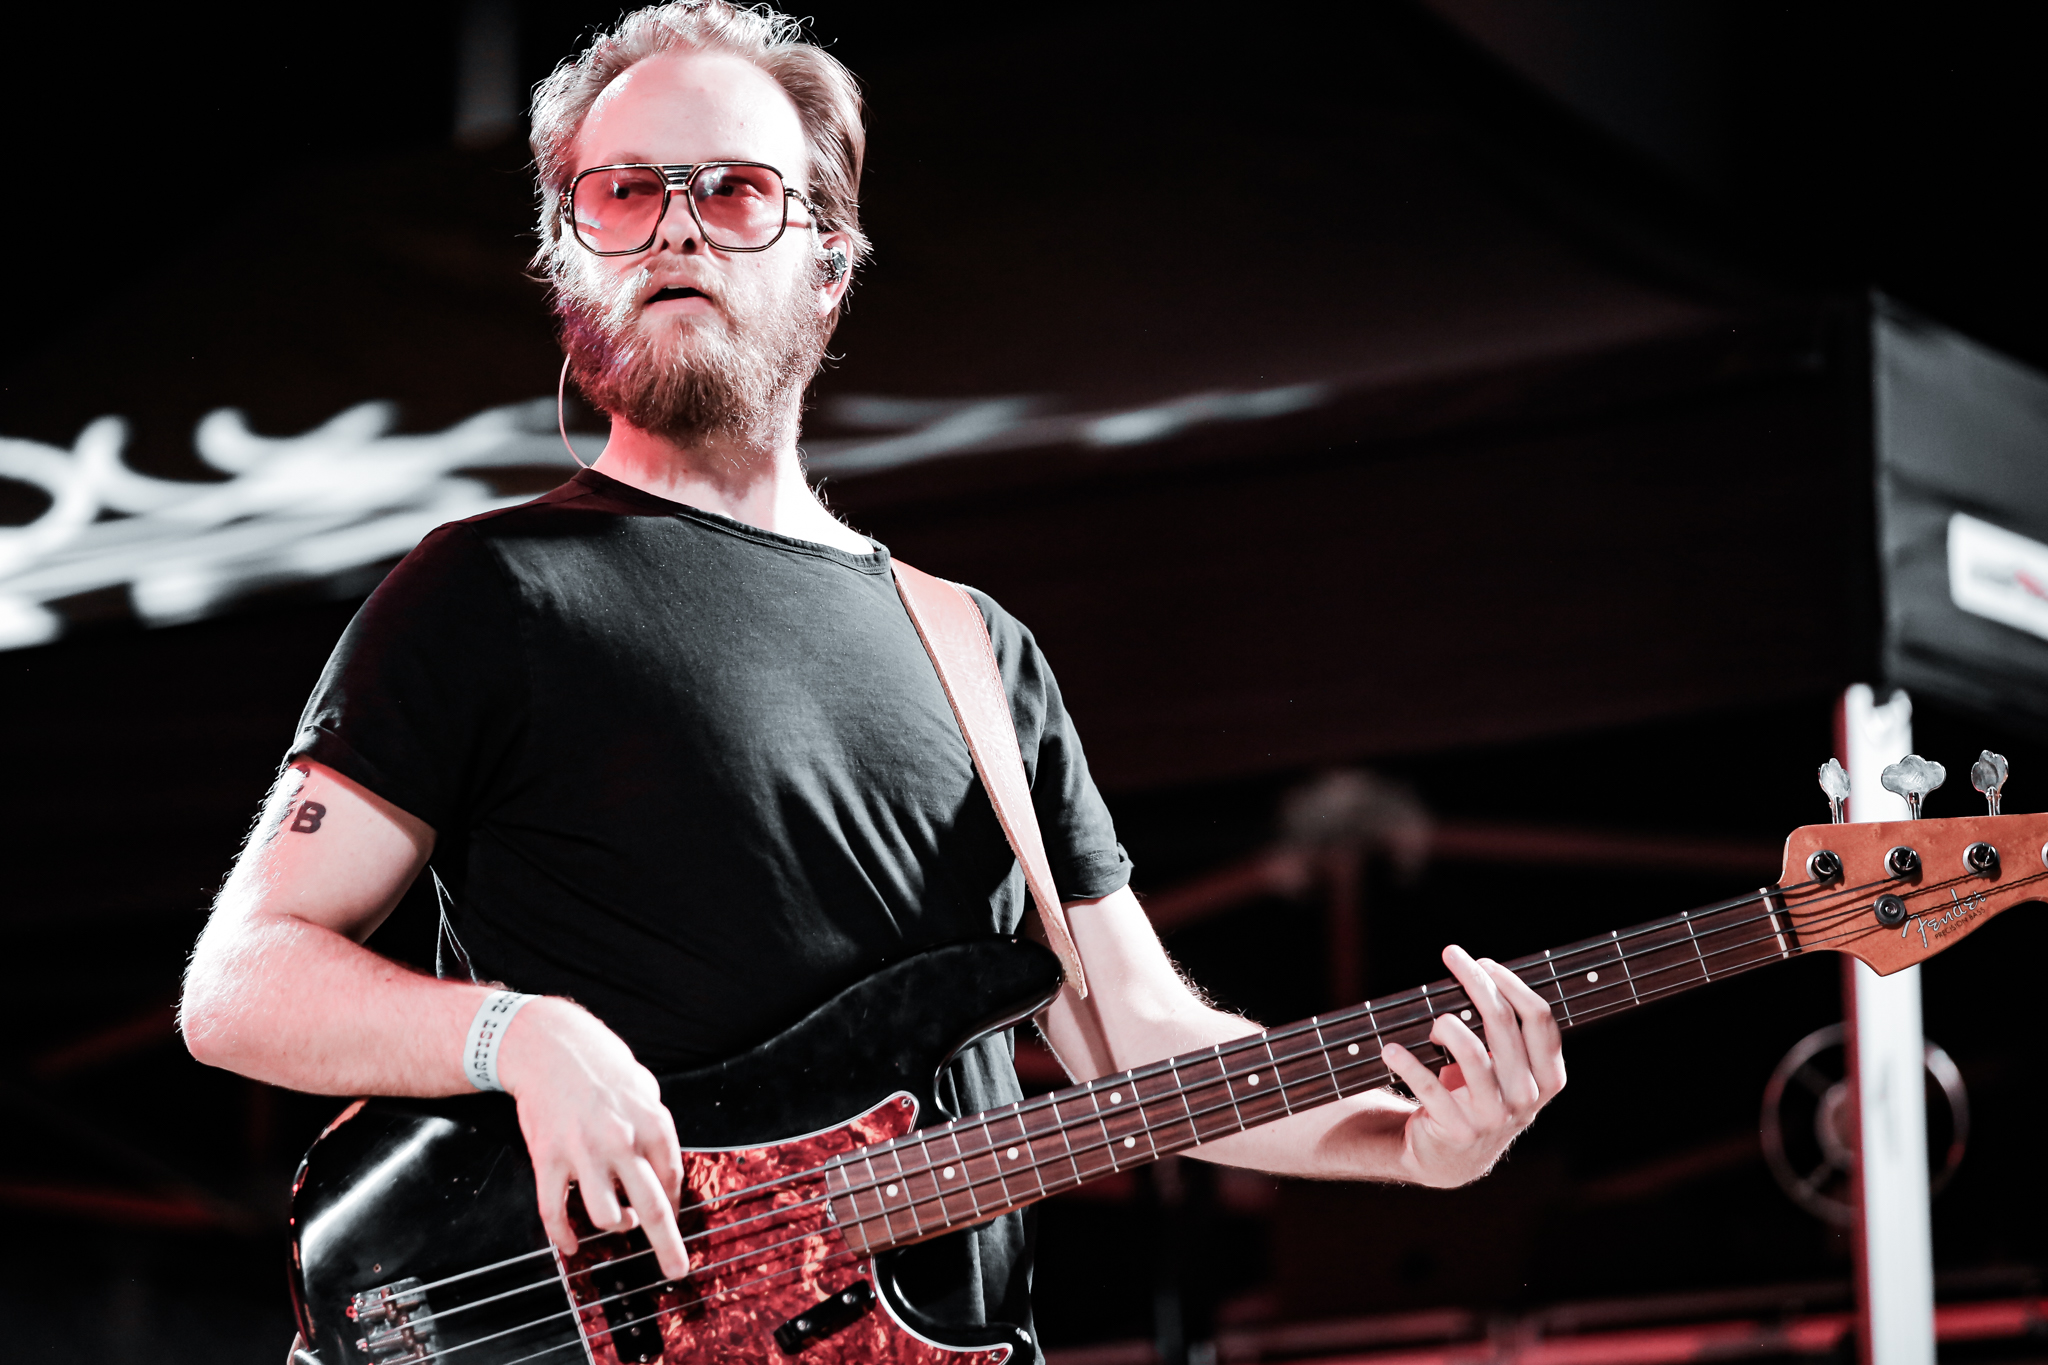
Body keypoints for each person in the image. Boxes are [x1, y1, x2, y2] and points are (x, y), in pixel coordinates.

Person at [178, 1, 1566, 1355]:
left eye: (731, 192)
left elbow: (1135, 1042)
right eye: (620, 194)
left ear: (828, 263)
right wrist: (517, 1033)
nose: (672, 226)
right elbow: (238, 981)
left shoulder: (976, 649)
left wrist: (1410, 1147)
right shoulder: (486, 593)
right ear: (566, 269)